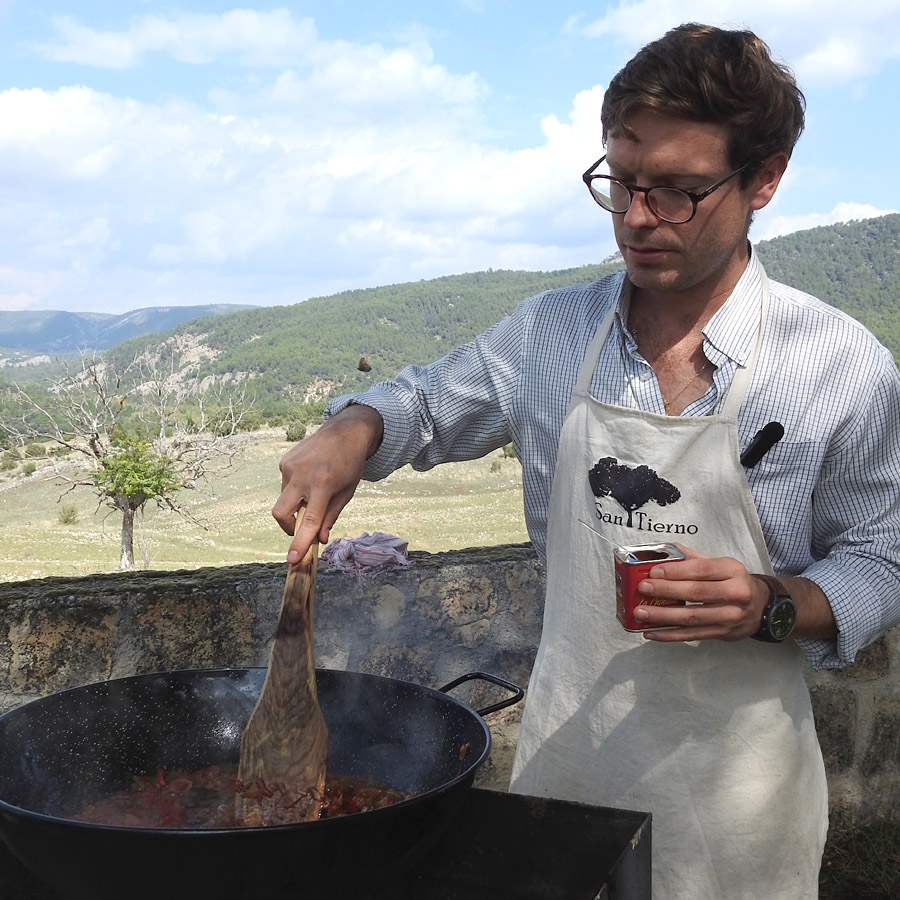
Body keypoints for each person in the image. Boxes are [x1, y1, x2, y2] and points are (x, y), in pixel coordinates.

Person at [273, 23, 900, 900]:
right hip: (570, 774)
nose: (637, 218)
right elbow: (422, 404)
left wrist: (769, 603)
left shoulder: (840, 365)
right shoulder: (549, 334)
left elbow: (881, 560)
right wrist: (355, 427)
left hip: (740, 807)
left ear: (764, 179)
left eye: (677, 191)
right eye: (622, 182)